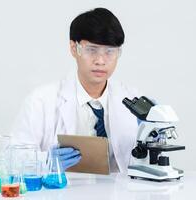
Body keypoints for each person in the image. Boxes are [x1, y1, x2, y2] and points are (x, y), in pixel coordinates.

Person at [11, 8, 141, 173]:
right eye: (91, 50)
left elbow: (145, 163)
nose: (100, 61)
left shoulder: (133, 99)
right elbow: (14, 158)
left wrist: (151, 132)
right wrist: (45, 161)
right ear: (74, 48)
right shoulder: (41, 101)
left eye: (110, 52)